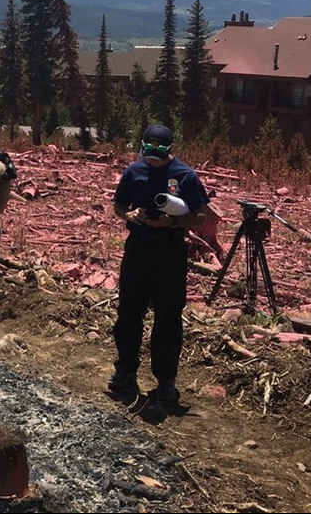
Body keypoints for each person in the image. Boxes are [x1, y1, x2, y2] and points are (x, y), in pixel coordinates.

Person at [109, 124, 210, 414]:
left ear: (169, 148)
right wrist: (130, 214)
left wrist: (174, 222)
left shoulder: (185, 176)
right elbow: (118, 205)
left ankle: (165, 380)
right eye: (148, 148)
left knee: (168, 316)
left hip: (170, 249)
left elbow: (201, 213)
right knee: (129, 310)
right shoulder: (133, 171)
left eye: (159, 149)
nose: (152, 154)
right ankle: (125, 370)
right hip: (139, 246)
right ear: (142, 145)